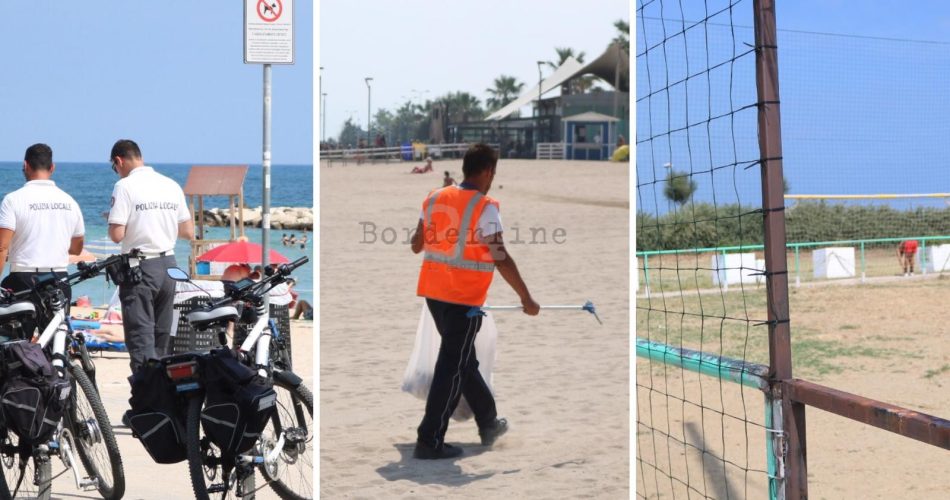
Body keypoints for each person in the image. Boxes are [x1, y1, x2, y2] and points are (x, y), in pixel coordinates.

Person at [409, 143, 540, 459]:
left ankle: (489, 421)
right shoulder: (486, 206)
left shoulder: (434, 197)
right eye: (493, 172)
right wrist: (526, 297)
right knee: (452, 367)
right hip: (462, 298)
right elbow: (500, 257)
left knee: (461, 361)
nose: (493, 177)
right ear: (487, 171)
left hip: (433, 293)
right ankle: (429, 440)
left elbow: (416, 245)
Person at [108, 139, 194, 373]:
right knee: (162, 340)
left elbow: (116, 234)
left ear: (119, 161)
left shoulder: (125, 186)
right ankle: (164, 400)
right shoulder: (170, 184)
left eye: (114, 168)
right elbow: (188, 231)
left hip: (141, 268)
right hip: (169, 265)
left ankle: (146, 402)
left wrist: (118, 218)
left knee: (141, 340)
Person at [0, 143, 85, 339]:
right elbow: (77, 247)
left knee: (16, 345)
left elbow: (2, 246)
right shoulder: (69, 201)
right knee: (56, 341)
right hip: (59, 279)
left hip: (23, 279)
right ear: (52, 167)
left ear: (25, 165)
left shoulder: (13, 200)